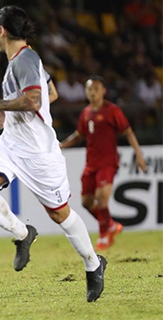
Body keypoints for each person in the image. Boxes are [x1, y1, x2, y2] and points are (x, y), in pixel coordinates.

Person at [0, 6, 106, 302]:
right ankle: (23, 234)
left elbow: (34, 101)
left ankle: (93, 265)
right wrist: (9, 118)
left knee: (60, 214)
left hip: (38, 153)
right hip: (11, 143)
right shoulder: (24, 60)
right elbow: (50, 95)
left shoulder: (25, 60)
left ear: (1, 31)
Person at [60, 76, 146, 250]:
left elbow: (128, 132)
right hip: (91, 163)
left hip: (108, 162)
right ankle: (111, 226)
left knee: (102, 199)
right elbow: (78, 135)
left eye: (97, 89)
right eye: (90, 89)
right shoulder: (85, 113)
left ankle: (104, 237)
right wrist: (61, 145)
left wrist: (139, 155)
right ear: (86, 91)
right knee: (86, 202)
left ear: (104, 91)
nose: (93, 92)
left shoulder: (112, 110)